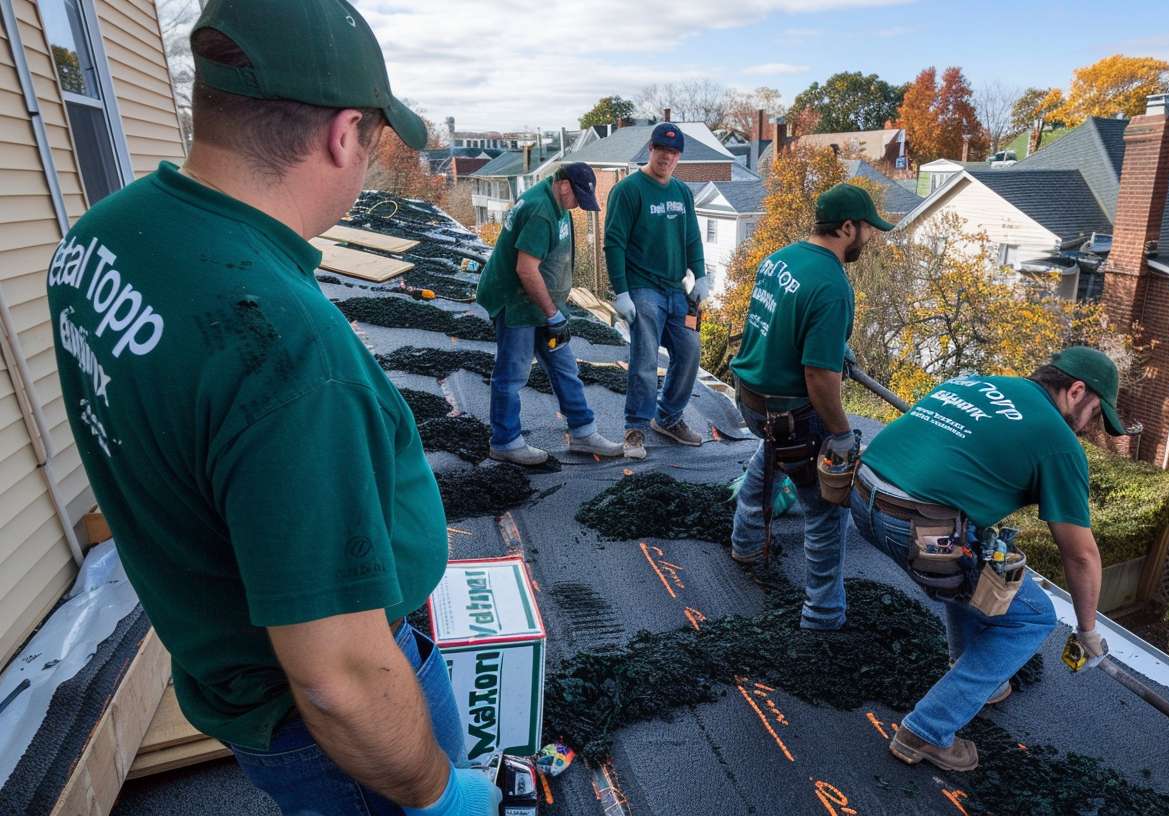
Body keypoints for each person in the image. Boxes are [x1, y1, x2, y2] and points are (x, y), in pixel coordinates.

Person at [44, 1, 495, 813]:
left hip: (230, 674)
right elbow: (339, 680)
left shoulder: (103, 237)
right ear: (343, 135)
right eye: (373, 144)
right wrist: (436, 793)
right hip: (329, 737)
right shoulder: (286, 351)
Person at [846, 347, 1120, 773]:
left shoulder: (978, 383)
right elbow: (1081, 555)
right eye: (1096, 413)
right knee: (1033, 616)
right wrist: (1087, 632)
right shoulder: (1059, 442)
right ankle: (927, 730)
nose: (1089, 428)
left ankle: (973, 672)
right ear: (1076, 391)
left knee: (981, 562)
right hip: (920, 529)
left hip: (860, 494)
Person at [728, 184, 892, 630]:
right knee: (826, 508)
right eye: (867, 229)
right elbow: (819, 377)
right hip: (790, 412)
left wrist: (836, 347)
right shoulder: (832, 286)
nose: (870, 238)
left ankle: (745, 542)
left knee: (773, 454)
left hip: (753, 399)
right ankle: (822, 614)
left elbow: (781, 327)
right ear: (847, 227)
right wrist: (840, 434)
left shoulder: (779, 259)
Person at [476, 162, 623, 464]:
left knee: (564, 366)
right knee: (512, 374)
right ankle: (505, 442)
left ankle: (583, 432)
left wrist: (554, 310)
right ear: (564, 185)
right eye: (578, 197)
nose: (579, 205)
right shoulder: (541, 211)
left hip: (541, 303)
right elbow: (526, 270)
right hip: (517, 303)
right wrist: (552, 314)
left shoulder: (555, 201)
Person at [603, 122, 710, 459]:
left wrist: (700, 276)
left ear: (679, 156)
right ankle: (635, 428)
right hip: (642, 286)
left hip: (676, 288)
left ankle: (668, 417)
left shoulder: (682, 192)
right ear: (650, 149)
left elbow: (692, 238)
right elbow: (614, 242)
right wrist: (621, 292)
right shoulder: (628, 190)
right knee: (646, 356)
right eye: (662, 150)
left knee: (689, 350)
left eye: (674, 152)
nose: (667, 157)